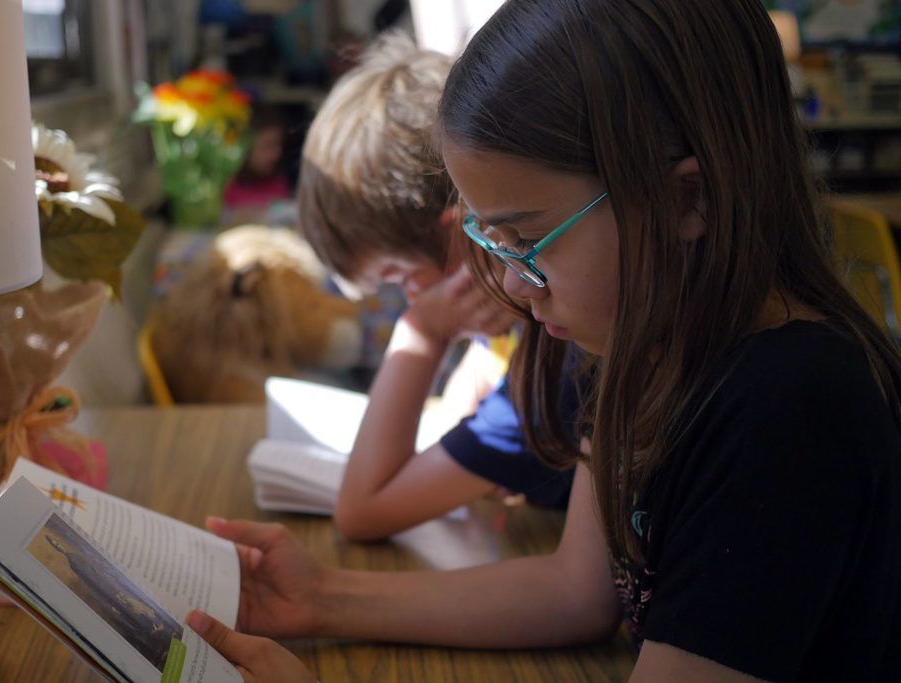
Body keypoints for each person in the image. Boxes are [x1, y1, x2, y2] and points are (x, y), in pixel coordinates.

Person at [186, 1, 901, 680]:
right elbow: (575, 589)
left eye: (526, 240)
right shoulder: (633, 340)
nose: (513, 285)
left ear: (689, 199)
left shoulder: (787, 411)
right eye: (488, 238)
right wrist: (322, 597)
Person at [295, 31, 582, 542]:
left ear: (465, 227)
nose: (410, 298)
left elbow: (362, 513)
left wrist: (423, 331)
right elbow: (476, 381)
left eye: (402, 279)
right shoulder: (533, 338)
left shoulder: (561, 357)